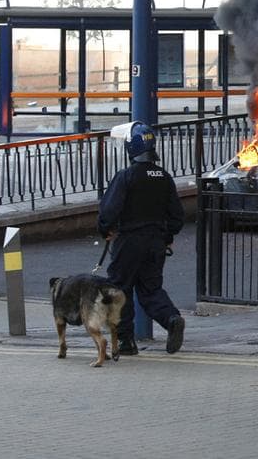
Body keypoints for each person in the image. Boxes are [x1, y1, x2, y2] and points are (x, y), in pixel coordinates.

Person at [98, 121, 186, 355]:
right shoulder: (164, 177)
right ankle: (171, 319)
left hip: (129, 241)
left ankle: (126, 342)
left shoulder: (126, 176)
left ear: (131, 148)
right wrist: (167, 236)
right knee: (151, 289)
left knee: (120, 289)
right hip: (156, 241)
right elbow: (177, 215)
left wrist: (105, 229)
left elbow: (108, 211)